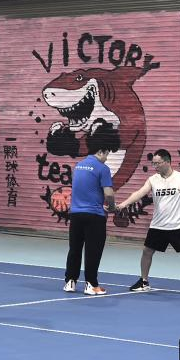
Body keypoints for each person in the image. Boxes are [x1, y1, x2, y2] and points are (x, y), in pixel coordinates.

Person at [113, 149, 180, 297]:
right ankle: (144, 281)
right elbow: (139, 193)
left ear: (167, 162)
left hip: (179, 224)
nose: (155, 166)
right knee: (147, 251)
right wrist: (123, 204)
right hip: (158, 225)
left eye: (157, 163)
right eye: (153, 163)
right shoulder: (153, 179)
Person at [62, 124, 119, 295]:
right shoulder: (102, 168)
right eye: (107, 154)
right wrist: (112, 207)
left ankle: (70, 282)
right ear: (101, 151)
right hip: (94, 216)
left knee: (75, 249)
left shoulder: (79, 166)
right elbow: (108, 193)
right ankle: (91, 284)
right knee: (93, 251)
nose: (107, 158)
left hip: (76, 215)